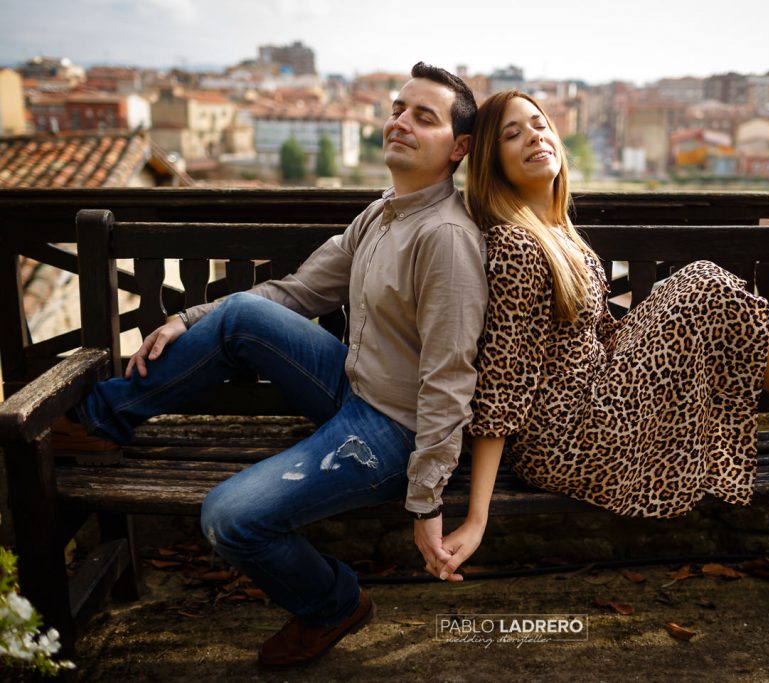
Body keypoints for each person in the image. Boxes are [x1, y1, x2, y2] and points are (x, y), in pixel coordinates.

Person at [54, 62, 486, 667]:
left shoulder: (445, 238)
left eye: (424, 116)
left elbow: (448, 382)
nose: (401, 122)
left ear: (458, 147)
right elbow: (297, 293)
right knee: (238, 315)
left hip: (394, 432)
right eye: (397, 108)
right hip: (353, 385)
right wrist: (192, 317)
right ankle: (99, 421)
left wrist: (426, 502)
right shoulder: (383, 212)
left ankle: (333, 603)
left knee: (228, 517)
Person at [423, 90, 769, 583]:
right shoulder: (514, 244)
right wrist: (478, 516)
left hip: (598, 399)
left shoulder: (553, 228)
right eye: (513, 134)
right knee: (704, 283)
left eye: (538, 123)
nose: (533, 135)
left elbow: (588, 333)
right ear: (493, 160)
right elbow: (505, 383)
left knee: (700, 283)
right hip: (572, 438)